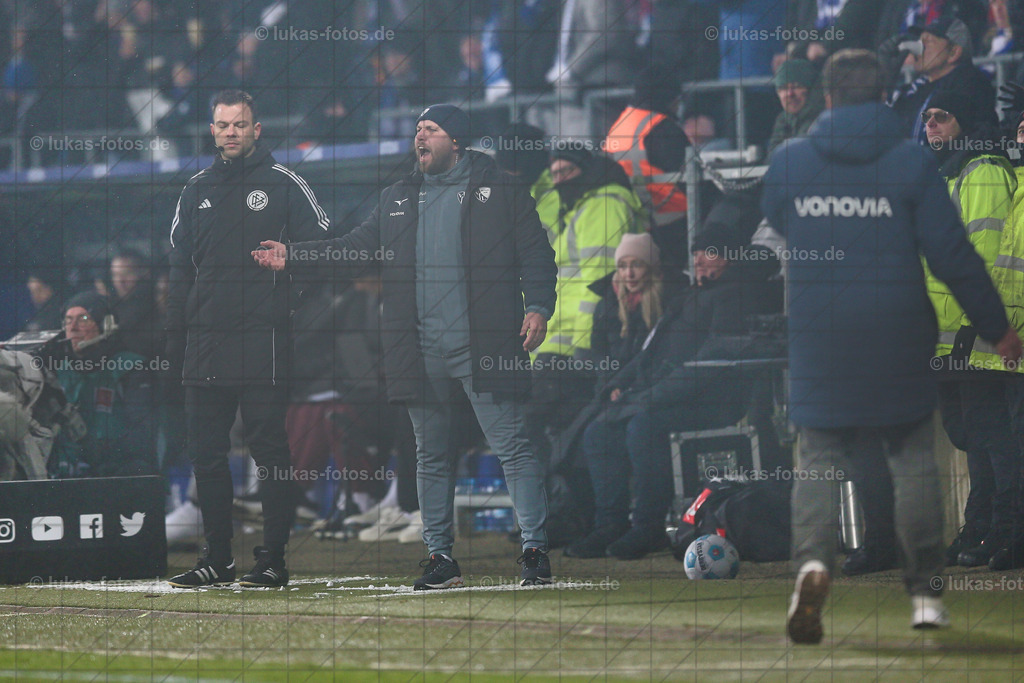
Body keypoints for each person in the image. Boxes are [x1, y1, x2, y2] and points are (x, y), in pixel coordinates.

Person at [761, 49, 1022, 644]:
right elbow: (954, 255)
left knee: (820, 460)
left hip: (820, 336)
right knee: (912, 462)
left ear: (826, 98)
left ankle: (812, 569)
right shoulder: (911, 165)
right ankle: (926, 593)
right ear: (885, 97)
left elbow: (775, 215)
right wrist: (997, 325)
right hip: (897, 333)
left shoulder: (792, 161)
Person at [254, 103, 557, 589]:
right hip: (419, 349)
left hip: (486, 344)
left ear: (456, 140)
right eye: (416, 129)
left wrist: (539, 305)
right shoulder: (398, 197)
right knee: (429, 455)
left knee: (514, 448)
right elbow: (352, 248)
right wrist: (294, 256)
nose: (420, 137)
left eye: (430, 129)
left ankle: (535, 550)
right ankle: (440, 558)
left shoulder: (500, 188)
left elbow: (536, 254)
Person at [165, 89, 331, 589]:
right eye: (222, 125)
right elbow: (177, 266)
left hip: (263, 340)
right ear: (212, 130)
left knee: (269, 453)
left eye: (240, 124)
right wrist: (178, 334)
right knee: (207, 454)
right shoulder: (195, 189)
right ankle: (217, 558)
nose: (231, 132)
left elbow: (322, 244)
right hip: (205, 343)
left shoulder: (285, 184)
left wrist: (287, 302)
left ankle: (273, 558)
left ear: (256, 130)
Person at [565, 225, 781, 560]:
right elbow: (649, 352)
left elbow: (708, 364)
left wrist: (648, 397)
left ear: (730, 258)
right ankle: (609, 524)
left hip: (713, 403)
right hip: (665, 394)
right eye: (695, 254)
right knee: (599, 432)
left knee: (643, 426)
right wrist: (619, 384)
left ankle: (647, 527)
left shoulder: (734, 295)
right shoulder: (694, 294)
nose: (698, 261)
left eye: (708, 253)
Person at [47, 291, 156, 479]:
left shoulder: (131, 369)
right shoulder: (56, 372)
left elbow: (143, 435)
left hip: (118, 475)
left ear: (105, 325)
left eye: (82, 319)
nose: (72, 327)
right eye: (67, 320)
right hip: (66, 476)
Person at [885, 17, 997, 143]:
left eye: (927, 43)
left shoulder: (972, 84)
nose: (917, 49)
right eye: (918, 42)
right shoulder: (914, 89)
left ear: (953, 53)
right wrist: (884, 79)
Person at [767, 59, 824, 154]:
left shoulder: (821, 120)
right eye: (783, 88)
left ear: (811, 90)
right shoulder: (783, 119)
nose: (790, 94)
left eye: (797, 86)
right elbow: (773, 157)